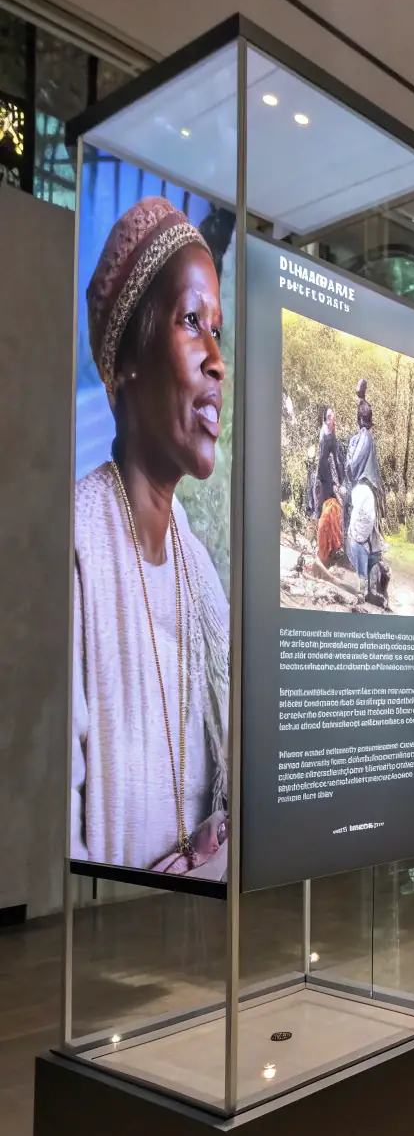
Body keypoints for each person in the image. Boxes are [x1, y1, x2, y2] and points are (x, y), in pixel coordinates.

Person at [73, 196, 229, 880]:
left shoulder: (199, 574)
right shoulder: (77, 547)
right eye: (192, 321)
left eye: (217, 330)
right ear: (129, 355)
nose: (217, 360)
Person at [345, 380, 386, 603]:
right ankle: (369, 588)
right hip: (367, 494)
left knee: (355, 539)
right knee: (369, 542)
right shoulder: (367, 438)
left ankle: (362, 588)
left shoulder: (364, 438)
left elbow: (353, 465)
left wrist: (349, 454)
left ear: (361, 419)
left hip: (362, 492)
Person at [314, 406, 344, 568]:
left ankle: (332, 549)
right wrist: (332, 483)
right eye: (330, 417)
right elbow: (323, 461)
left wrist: (339, 478)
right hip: (324, 479)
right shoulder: (325, 433)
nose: (332, 419)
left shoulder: (332, 432)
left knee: (333, 514)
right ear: (327, 418)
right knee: (326, 514)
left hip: (330, 477)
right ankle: (324, 551)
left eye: (333, 417)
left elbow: (336, 456)